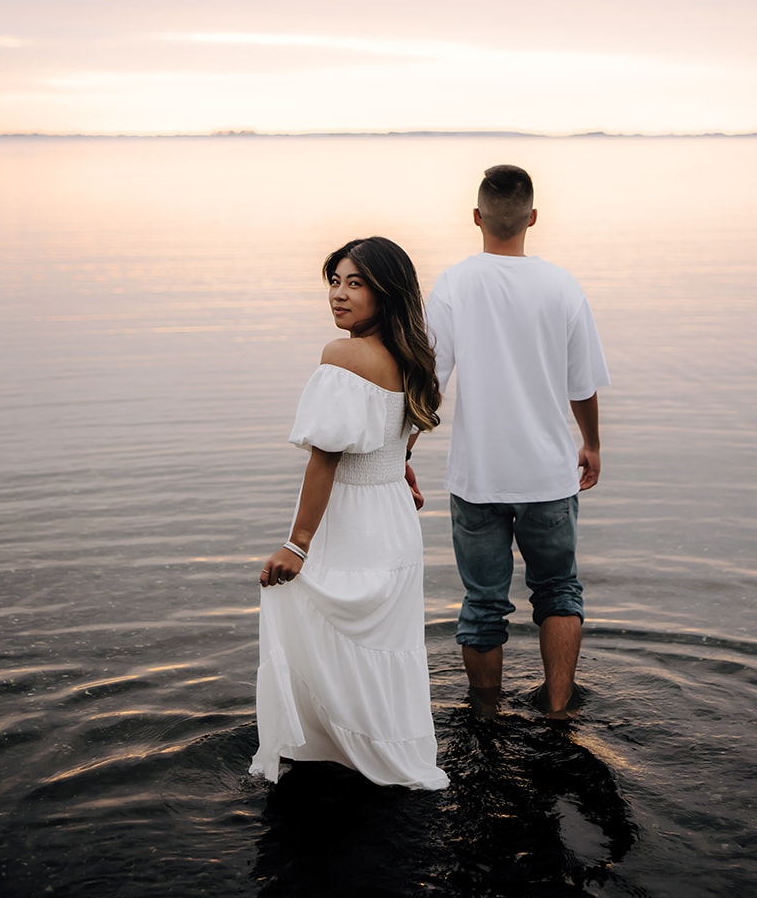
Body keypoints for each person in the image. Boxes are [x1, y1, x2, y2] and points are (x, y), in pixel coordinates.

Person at [249, 236, 448, 790]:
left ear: (386, 291)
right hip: (392, 519)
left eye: (354, 283)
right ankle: (385, 755)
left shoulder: (342, 357)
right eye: (334, 281)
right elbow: (396, 432)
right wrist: (400, 466)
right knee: (383, 648)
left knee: (324, 633)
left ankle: (327, 752)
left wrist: (297, 543)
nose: (338, 295)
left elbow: (326, 457)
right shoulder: (414, 355)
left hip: (350, 523)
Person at [423, 165, 610, 719]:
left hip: (478, 479)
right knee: (558, 592)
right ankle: (559, 712)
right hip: (548, 476)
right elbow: (583, 385)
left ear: (476, 217)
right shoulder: (562, 285)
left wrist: (401, 449)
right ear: (533, 218)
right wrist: (592, 444)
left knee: (483, 606)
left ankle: (485, 721)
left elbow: (429, 384)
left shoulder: (454, 283)